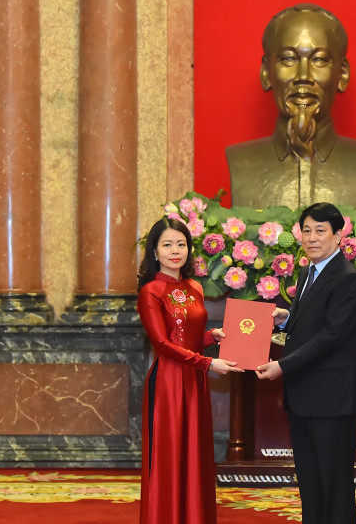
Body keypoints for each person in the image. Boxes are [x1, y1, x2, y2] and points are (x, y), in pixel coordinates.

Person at [256, 202, 356, 524]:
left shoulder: (348, 279)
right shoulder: (308, 271)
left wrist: (283, 366)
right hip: (305, 395)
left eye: (321, 231)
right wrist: (287, 317)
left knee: (333, 483)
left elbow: (332, 336)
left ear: (338, 235)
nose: (312, 238)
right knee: (309, 480)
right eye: (307, 231)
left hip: (331, 398)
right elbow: (315, 322)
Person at [137, 217, 243, 524]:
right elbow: (162, 343)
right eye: (167, 244)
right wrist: (208, 362)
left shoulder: (194, 286)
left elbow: (193, 340)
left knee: (194, 456)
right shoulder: (150, 292)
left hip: (194, 380)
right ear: (155, 252)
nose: (175, 251)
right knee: (169, 458)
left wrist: (213, 337)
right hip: (168, 383)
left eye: (181, 244)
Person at [227, 3, 356, 209]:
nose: (303, 77)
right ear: (266, 72)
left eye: (319, 60)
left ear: (342, 74)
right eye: (289, 59)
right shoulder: (241, 162)